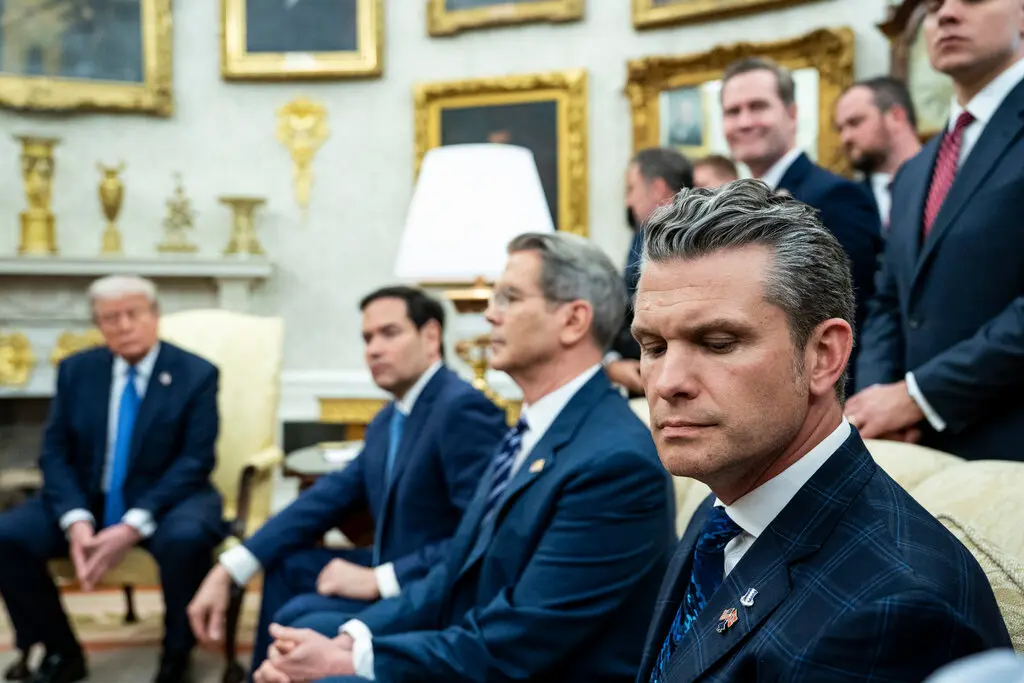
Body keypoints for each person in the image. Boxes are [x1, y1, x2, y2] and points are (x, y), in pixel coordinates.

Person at [253, 232, 676, 682]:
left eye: (510, 298)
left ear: (572, 320)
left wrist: (350, 661)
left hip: (526, 666)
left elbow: (520, 639)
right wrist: (352, 638)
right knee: (303, 637)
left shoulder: (615, 464)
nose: (490, 314)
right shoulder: (533, 430)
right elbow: (454, 575)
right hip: (477, 642)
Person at [631, 180, 1010, 683]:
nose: (667, 382)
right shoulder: (726, 506)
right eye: (653, 347)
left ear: (824, 356)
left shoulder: (892, 612)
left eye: (718, 342)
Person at [187, 286, 507, 678]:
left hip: (432, 590)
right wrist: (232, 566)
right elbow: (324, 499)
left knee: (297, 617)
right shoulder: (388, 420)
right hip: (394, 564)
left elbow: (482, 536)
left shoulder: (462, 409)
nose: (374, 349)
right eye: (367, 338)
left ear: (430, 336)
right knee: (287, 566)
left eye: (389, 333)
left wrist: (380, 580)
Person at [0, 276, 226, 683]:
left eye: (133, 314)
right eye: (110, 318)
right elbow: (54, 452)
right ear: (98, 325)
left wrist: (132, 525)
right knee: (8, 536)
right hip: (90, 497)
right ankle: (60, 650)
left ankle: (177, 654)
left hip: (169, 499)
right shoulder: (76, 370)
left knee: (187, 539)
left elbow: (196, 460)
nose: (123, 326)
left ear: (154, 316)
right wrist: (75, 518)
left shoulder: (196, 373)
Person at [848, 0, 1024, 461]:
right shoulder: (915, 171)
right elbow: (890, 301)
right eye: (932, 5)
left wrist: (920, 396)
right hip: (910, 450)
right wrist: (878, 399)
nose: (946, 14)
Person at [720, 57, 882, 388]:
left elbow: (856, 308)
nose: (744, 121)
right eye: (733, 112)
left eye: (758, 107)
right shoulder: (732, 202)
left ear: (791, 114)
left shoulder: (835, 196)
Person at [606, 147, 693, 396]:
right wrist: (611, 361)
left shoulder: (695, 244)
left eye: (631, 189)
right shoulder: (642, 236)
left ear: (657, 188)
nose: (628, 201)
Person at [834, 76, 922, 228]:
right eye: (840, 129)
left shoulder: (949, 177)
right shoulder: (845, 202)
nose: (845, 138)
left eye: (855, 122)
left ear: (896, 116)